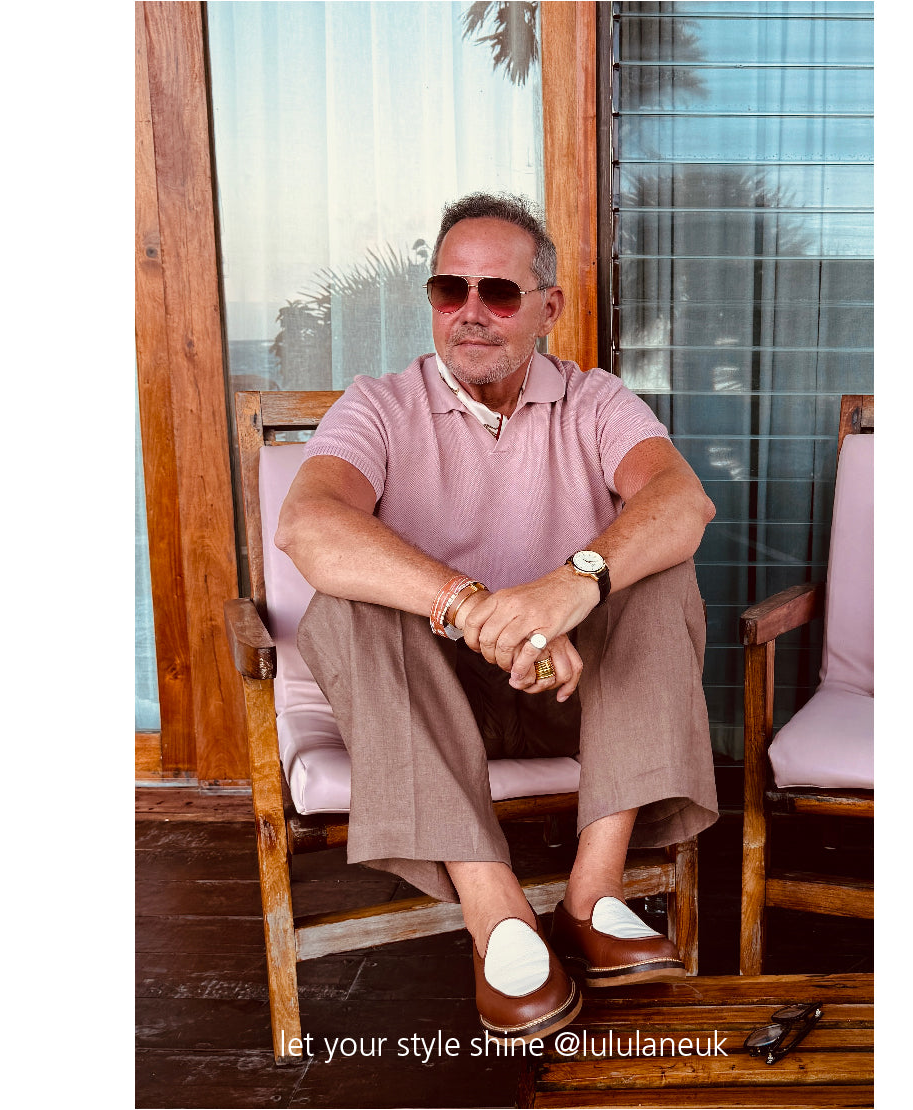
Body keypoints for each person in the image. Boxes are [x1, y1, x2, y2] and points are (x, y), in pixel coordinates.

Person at [276, 191, 718, 1044]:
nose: (470, 313)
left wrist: (571, 587)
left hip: (577, 692)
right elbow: (308, 525)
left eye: (500, 293)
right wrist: (473, 605)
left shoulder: (596, 400)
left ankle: (593, 893)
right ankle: (496, 910)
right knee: (347, 602)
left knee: (659, 569)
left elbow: (680, 500)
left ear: (548, 308)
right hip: (437, 705)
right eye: (451, 290)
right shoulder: (378, 404)